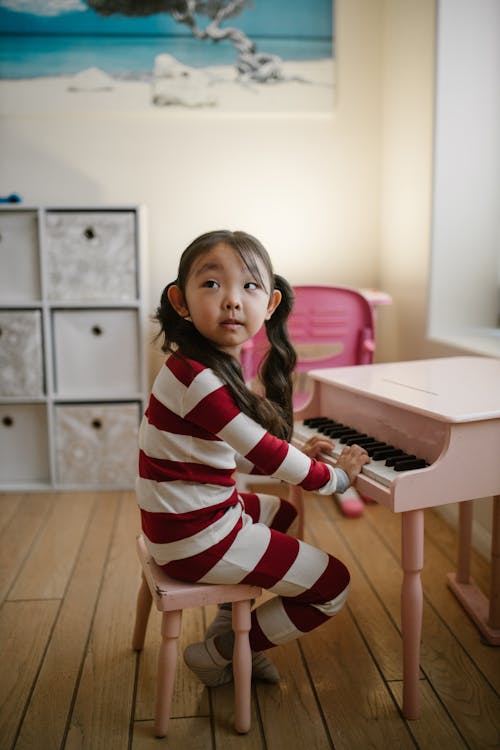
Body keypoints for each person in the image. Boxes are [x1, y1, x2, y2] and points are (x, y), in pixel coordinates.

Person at [136, 229, 370, 687]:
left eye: (249, 285)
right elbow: (264, 450)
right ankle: (222, 652)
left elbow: (229, 452)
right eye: (211, 284)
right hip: (197, 538)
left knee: (279, 512)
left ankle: (229, 626)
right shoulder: (199, 379)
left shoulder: (191, 366)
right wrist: (335, 479)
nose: (231, 300)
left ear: (270, 304)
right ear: (180, 301)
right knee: (333, 586)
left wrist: (300, 452)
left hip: (182, 521)